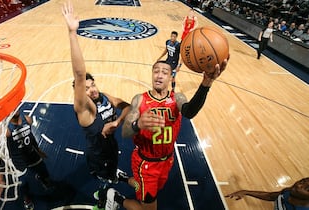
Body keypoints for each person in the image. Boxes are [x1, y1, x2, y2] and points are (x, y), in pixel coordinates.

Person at [119, 57, 228, 210]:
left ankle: (127, 180)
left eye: (164, 72)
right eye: (156, 71)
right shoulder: (139, 99)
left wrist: (206, 84)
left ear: (171, 77)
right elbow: (125, 131)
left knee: (156, 190)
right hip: (146, 163)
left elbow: (190, 112)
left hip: (167, 160)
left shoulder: (177, 98)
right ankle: (117, 198)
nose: (159, 75)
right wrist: (138, 124)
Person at [62, 2, 139, 210]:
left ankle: (113, 179)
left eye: (93, 84)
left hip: (111, 150)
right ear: (81, 95)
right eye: (87, 89)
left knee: (111, 173)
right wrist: (72, 33)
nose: (92, 89)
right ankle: (108, 195)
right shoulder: (87, 110)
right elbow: (79, 75)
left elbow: (127, 106)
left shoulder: (104, 96)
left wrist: (117, 121)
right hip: (99, 158)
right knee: (106, 186)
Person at [0, 110, 53, 210]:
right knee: (23, 184)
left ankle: (43, 179)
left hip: (31, 155)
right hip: (19, 161)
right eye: (11, 108)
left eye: (15, 106)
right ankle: (26, 198)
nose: (14, 109)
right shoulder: (6, 130)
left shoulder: (27, 119)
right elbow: (1, 154)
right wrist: (0, 178)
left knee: (44, 171)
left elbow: (31, 137)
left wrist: (38, 150)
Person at [225, 177, 309, 209]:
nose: (298, 185)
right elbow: (270, 196)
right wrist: (245, 192)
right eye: (302, 181)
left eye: (307, 188)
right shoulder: (287, 192)